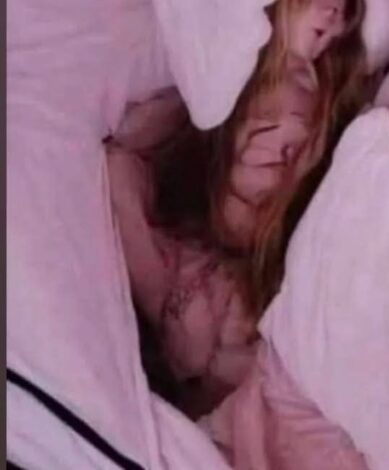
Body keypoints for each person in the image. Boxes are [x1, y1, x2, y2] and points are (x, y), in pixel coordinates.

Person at [107, 0, 371, 417]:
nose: (337, 14)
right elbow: (123, 152)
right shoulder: (224, 73)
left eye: (347, 11)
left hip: (260, 263)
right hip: (199, 250)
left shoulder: (326, 92)